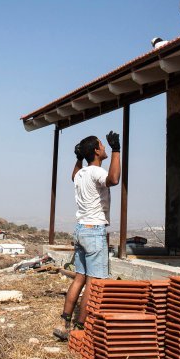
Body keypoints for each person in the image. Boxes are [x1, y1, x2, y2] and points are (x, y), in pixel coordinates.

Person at [53, 131, 121, 341]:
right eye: (103, 145)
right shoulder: (95, 172)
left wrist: (78, 158)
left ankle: (64, 321)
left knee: (80, 277)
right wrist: (117, 150)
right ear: (97, 151)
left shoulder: (81, 173)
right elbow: (114, 179)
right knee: (93, 282)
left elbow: (73, 176)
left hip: (81, 230)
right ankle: (80, 328)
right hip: (94, 232)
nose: (105, 148)